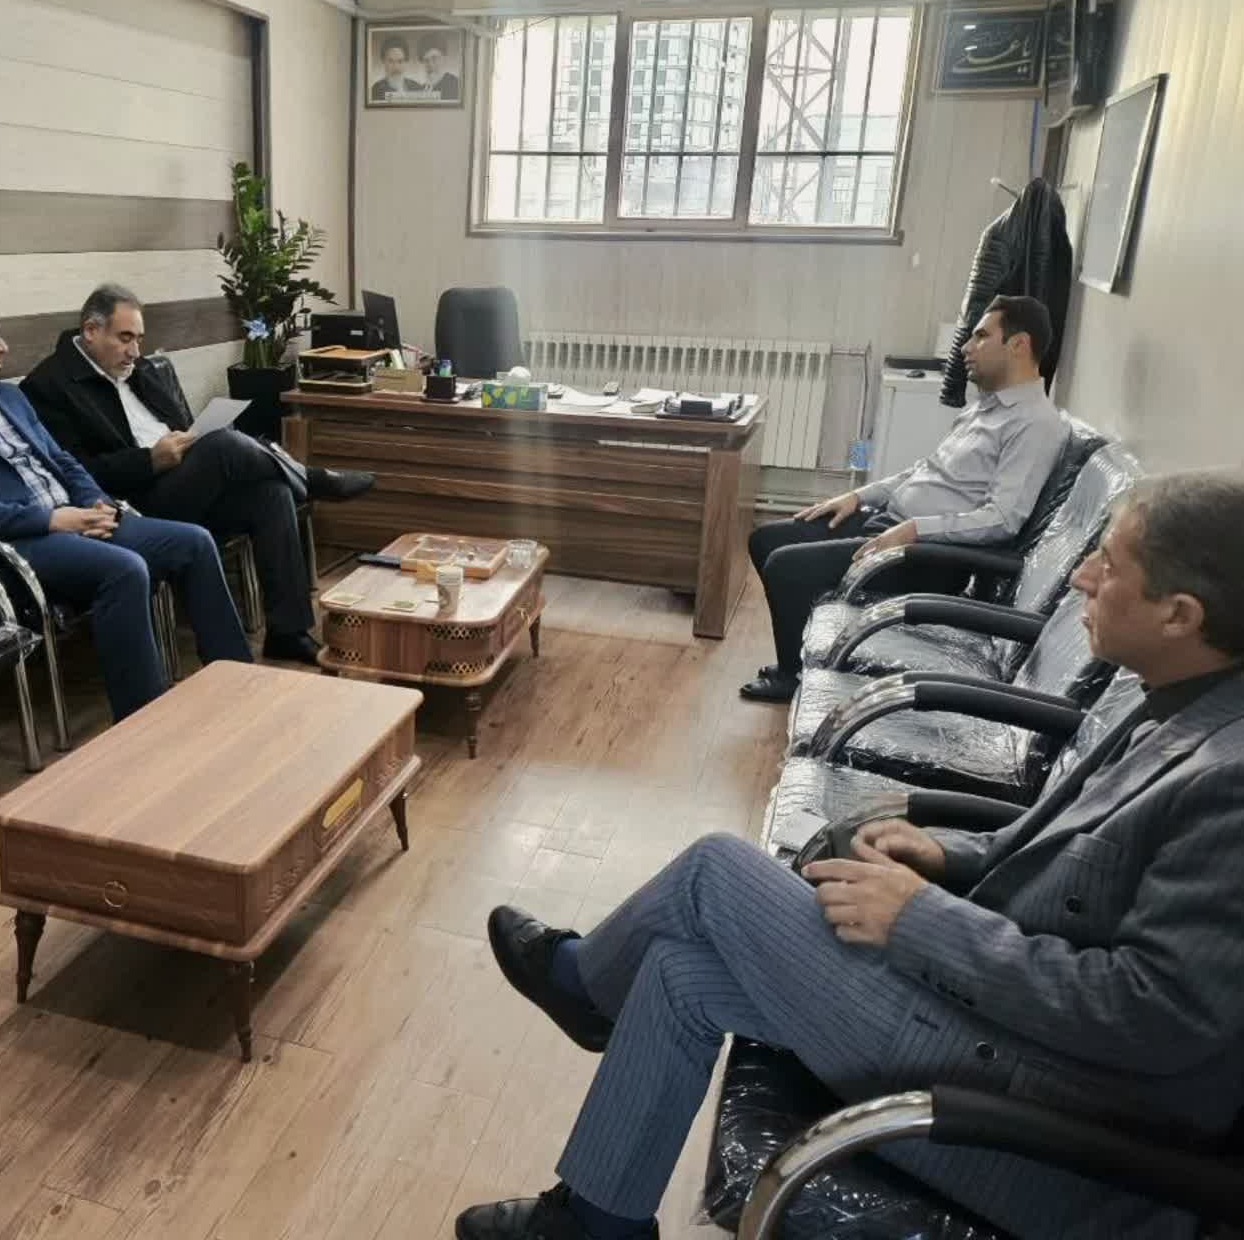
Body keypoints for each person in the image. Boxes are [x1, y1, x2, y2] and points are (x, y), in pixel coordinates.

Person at [460, 468, 1244, 1240]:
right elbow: (1058, 857)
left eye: (1108, 565)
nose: (1080, 577)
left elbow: (1152, 1018)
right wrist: (944, 855)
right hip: (1007, 1040)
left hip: (1048, 1130)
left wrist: (917, 919)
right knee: (675, 969)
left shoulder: (1230, 781)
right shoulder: (1179, 701)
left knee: (715, 873)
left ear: (1178, 614)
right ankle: (594, 1223)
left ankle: (581, 984)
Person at [0, 291, 253, 720]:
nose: (3, 347)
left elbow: (62, 461)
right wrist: (52, 520)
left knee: (194, 542)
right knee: (125, 568)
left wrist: (96, 503)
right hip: (15, 541)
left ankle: (236, 680)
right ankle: (143, 719)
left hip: (75, 518)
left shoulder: (9, 397)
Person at [19, 284, 373, 665]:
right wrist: (149, 460)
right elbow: (76, 474)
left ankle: (288, 633)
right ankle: (312, 479)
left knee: (271, 493)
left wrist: (188, 439)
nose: (135, 351)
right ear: (90, 330)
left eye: (138, 339)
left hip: (181, 480)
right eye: (125, 338)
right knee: (223, 445)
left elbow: (179, 422)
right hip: (134, 502)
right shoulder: (47, 387)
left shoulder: (135, 368)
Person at [741, 295, 1070, 703]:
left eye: (981, 336)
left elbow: (1003, 519)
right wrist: (858, 495)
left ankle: (794, 676)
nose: (966, 348)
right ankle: (809, 657)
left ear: (1019, 345)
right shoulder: (984, 409)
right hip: (891, 524)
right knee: (766, 539)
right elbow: (923, 471)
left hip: (925, 556)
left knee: (786, 566)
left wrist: (915, 531)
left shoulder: (1035, 424)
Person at [417, 33, 461, 101]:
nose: (430, 64)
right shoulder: (421, 89)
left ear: (444, 58)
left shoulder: (455, 84)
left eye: (434, 58)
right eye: (426, 60)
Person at [370, 34, 413, 102]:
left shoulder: (416, 87)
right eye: (390, 61)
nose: (396, 67)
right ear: (383, 62)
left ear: (406, 62)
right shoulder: (375, 90)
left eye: (400, 61)